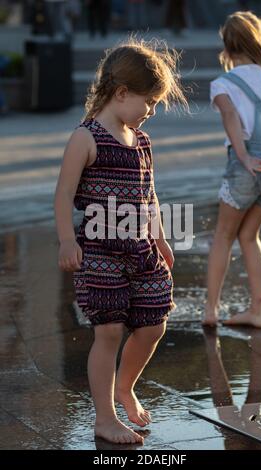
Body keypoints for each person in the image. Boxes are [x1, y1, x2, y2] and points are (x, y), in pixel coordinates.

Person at [54, 38, 186, 444]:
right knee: (109, 331)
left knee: (153, 323)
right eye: (149, 102)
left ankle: (124, 386)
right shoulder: (87, 137)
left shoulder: (141, 142)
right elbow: (62, 195)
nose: (152, 112)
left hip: (142, 250)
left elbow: (150, 195)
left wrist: (161, 238)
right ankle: (105, 418)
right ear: (122, 92)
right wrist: (65, 241)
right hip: (100, 251)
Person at [203, 11, 261, 328]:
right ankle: (259, 311)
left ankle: (210, 311)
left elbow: (231, 117)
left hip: (246, 165)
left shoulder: (222, 83)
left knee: (223, 235)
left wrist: (246, 158)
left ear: (227, 47)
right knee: (249, 235)